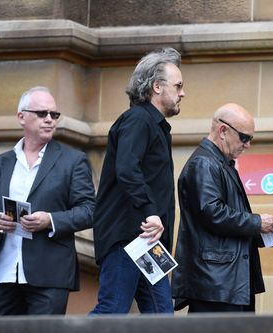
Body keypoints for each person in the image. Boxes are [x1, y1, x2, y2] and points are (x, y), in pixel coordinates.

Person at [0, 86, 96, 315]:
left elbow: (90, 210)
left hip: (49, 273)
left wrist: (50, 220)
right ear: (21, 117)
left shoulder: (73, 161)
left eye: (54, 115)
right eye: (42, 113)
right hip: (2, 272)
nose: (49, 120)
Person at [90, 47, 185, 314]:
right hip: (128, 236)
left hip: (148, 241)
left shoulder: (155, 126)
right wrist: (150, 213)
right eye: (177, 85)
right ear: (157, 86)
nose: (182, 93)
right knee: (112, 312)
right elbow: (127, 169)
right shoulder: (137, 120)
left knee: (161, 317)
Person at [171, 103, 273, 313]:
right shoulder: (204, 163)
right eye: (244, 137)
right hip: (215, 282)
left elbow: (224, 220)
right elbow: (212, 213)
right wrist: (257, 222)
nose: (247, 145)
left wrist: (265, 231)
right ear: (223, 131)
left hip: (225, 281)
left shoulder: (219, 163)